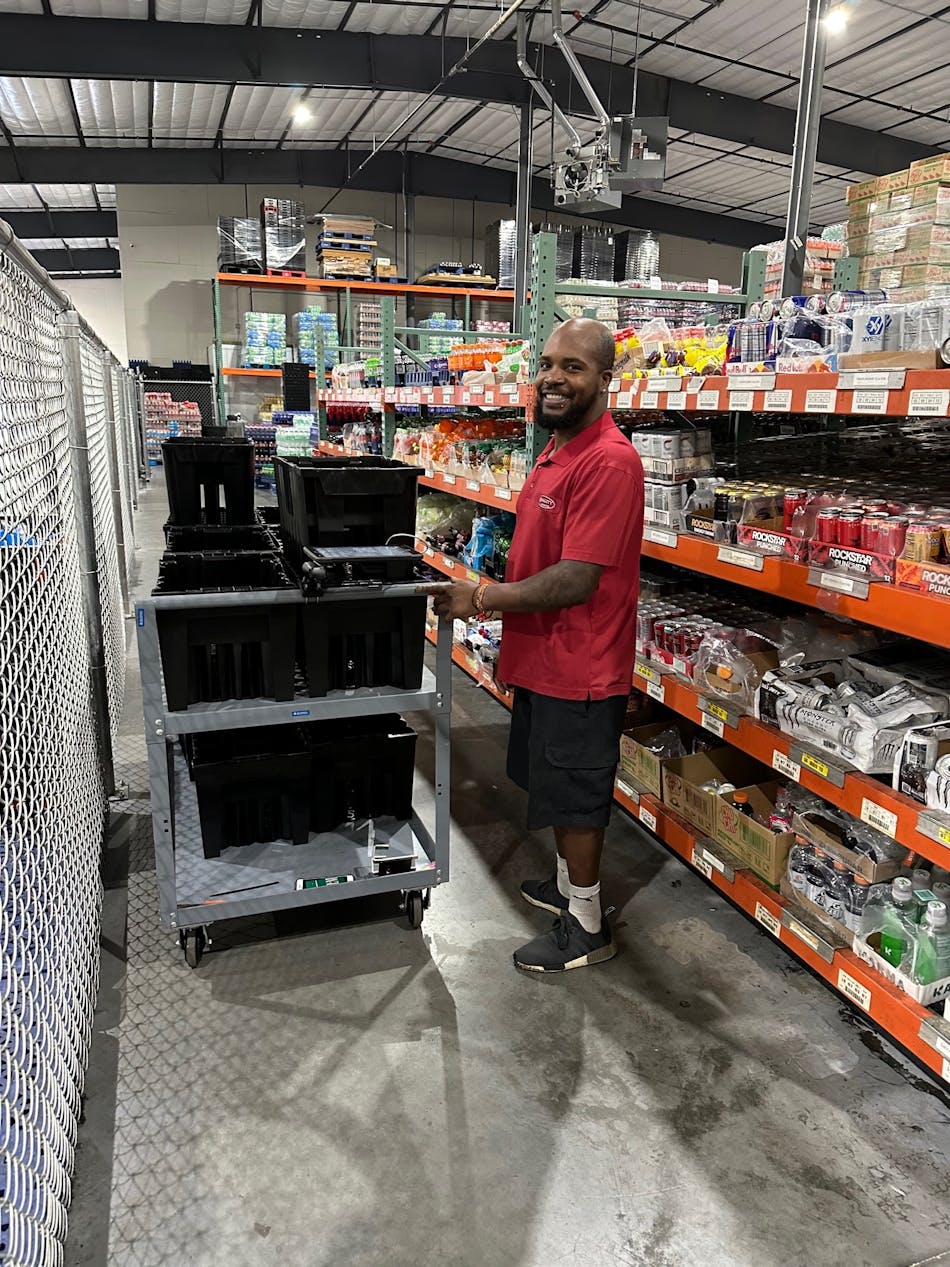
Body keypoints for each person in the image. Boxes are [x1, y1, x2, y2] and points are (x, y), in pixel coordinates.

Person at [429, 317, 644, 973]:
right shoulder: (557, 447)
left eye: (573, 366)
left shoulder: (609, 460)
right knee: (552, 787)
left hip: (580, 665)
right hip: (542, 657)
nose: (553, 376)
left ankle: (586, 923)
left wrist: (483, 598)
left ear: (606, 379)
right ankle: (563, 885)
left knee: (577, 799)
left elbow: (577, 578)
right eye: (547, 363)